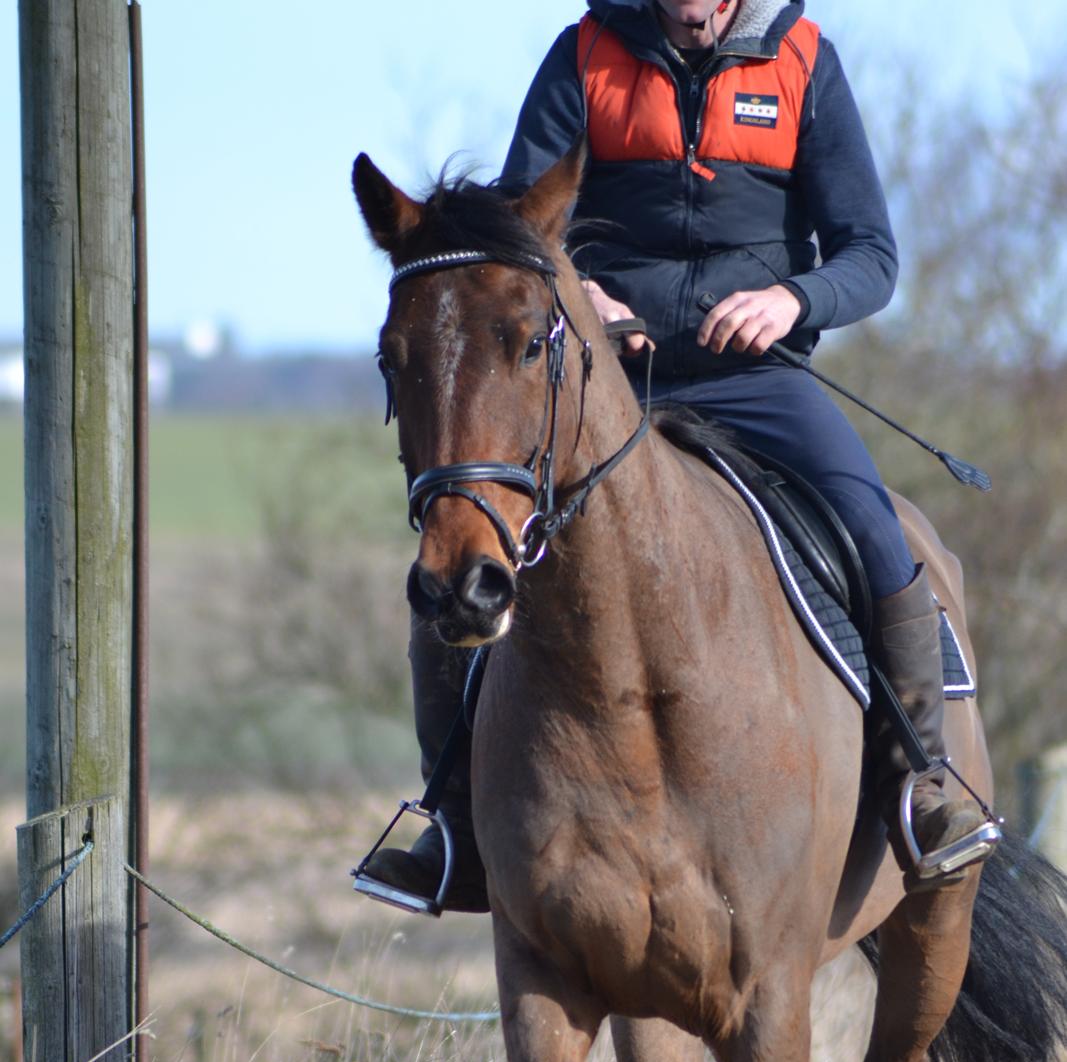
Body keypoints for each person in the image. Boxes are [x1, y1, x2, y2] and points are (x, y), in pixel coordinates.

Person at [362, 0, 990, 911]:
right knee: (461, 552)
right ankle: (454, 827)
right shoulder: (582, 55)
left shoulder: (805, 62)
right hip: (610, 378)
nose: (689, 9)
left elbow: (871, 255)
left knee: (874, 529)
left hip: (757, 377)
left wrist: (792, 300)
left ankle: (921, 788)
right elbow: (518, 235)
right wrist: (586, 298)